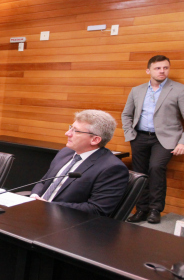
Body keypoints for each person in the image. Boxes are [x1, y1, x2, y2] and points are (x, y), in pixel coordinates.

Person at [122, 55, 184, 223]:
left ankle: (155, 210)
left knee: (156, 168)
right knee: (140, 173)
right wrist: (130, 134)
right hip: (140, 137)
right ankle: (141, 209)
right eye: (158, 68)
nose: (162, 71)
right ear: (148, 70)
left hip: (165, 139)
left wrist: (182, 142)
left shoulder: (179, 89)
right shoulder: (137, 90)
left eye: (165, 67)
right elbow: (126, 114)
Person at [31, 110, 129, 217]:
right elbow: (44, 182)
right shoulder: (65, 152)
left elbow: (97, 209)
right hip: (39, 213)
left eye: (76, 131)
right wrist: (34, 196)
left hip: (68, 224)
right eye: (70, 128)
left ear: (95, 140)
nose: (67, 133)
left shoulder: (112, 168)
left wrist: (49, 206)